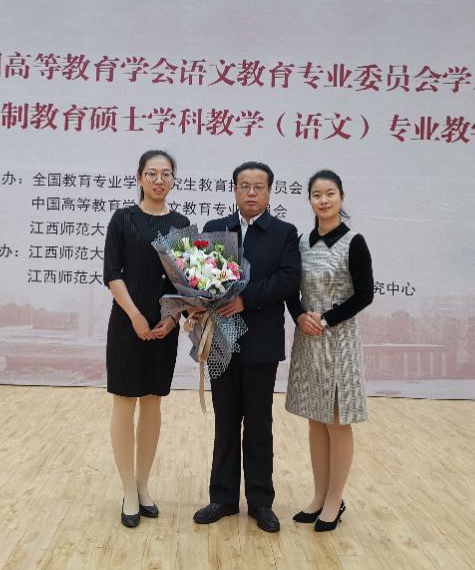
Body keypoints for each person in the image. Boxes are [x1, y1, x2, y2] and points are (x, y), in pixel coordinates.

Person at [192, 161, 301, 533]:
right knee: (225, 421)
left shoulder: (284, 233)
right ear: (234, 190)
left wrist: (245, 299)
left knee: (258, 424)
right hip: (221, 338)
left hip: (261, 342)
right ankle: (222, 498)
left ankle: (260, 502)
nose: (251, 192)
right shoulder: (215, 229)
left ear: (269, 191)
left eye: (258, 186)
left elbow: (288, 279)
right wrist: (194, 303)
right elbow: (199, 278)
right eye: (244, 185)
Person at [103, 149, 190, 528]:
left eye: (166, 173)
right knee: (125, 403)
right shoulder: (123, 219)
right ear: (139, 177)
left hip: (164, 327)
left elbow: (186, 282)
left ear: (173, 180)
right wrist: (136, 315)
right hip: (127, 324)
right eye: (152, 173)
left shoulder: (181, 224)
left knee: (153, 402)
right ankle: (127, 490)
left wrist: (173, 318)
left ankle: (142, 485)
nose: (159, 180)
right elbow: (112, 273)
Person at [285, 169, 374, 532]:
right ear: (309, 200)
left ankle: (335, 500)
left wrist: (326, 318)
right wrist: (299, 316)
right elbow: (290, 287)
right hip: (308, 339)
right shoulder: (301, 242)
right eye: (317, 195)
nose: (323, 200)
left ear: (342, 197)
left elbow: (365, 294)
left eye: (330, 193)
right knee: (315, 419)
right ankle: (319, 496)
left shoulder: (354, 242)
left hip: (339, 341)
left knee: (337, 421)